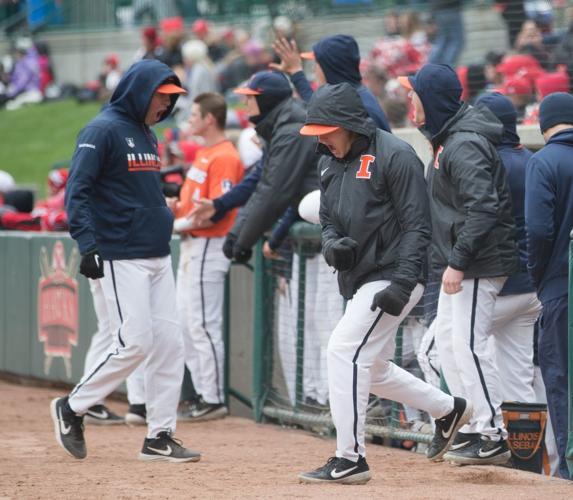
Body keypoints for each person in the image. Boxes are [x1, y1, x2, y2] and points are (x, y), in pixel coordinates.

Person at [297, 82, 471, 485]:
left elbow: (417, 226)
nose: (321, 139)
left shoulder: (395, 154)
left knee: (342, 350)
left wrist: (404, 281)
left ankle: (350, 457)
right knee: (369, 365)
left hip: (395, 274)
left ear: (347, 124)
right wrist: (330, 246)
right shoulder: (327, 159)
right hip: (361, 277)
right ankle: (447, 410)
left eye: (325, 131)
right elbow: (325, 218)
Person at [51, 59, 200, 463]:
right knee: (135, 343)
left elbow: (135, 189)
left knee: (170, 345)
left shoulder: (147, 133)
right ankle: (73, 406)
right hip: (120, 253)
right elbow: (76, 191)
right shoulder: (102, 130)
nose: (166, 106)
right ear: (140, 90)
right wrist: (88, 244)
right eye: (162, 96)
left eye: (171, 99)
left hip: (155, 252)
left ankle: (160, 435)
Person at [399, 64, 519, 466]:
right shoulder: (447, 139)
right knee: (448, 345)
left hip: (477, 262)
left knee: (467, 344)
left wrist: (457, 261)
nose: (408, 100)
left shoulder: (463, 142)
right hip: (467, 261)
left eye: (413, 93)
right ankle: (473, 425)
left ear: (429, 99)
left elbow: (482, 208)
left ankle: (495, 431)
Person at [172, 92, 244, 421]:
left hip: (209, 245)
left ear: (210, 119)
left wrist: (174, 224)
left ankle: (212, 397)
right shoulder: (205, 152)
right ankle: (203, 394)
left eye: (194, 115)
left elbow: (217, 212)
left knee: (203, 324)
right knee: (187, 324)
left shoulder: (225, 155)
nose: (190, 121)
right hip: (191, 244)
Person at [525, 91, 573, 480]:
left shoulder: (543, 161)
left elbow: (538, 231)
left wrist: (539, 277)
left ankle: (570, 468)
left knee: (561, 379)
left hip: (561, 287)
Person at [270, 34, 391, 132]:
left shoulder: (358, 107)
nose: (314, 69)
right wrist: (296, 72)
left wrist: (296, 73)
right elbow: (318, 108)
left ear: (329, 68)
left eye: (316, 63)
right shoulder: (353, 96)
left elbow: (319, 111)